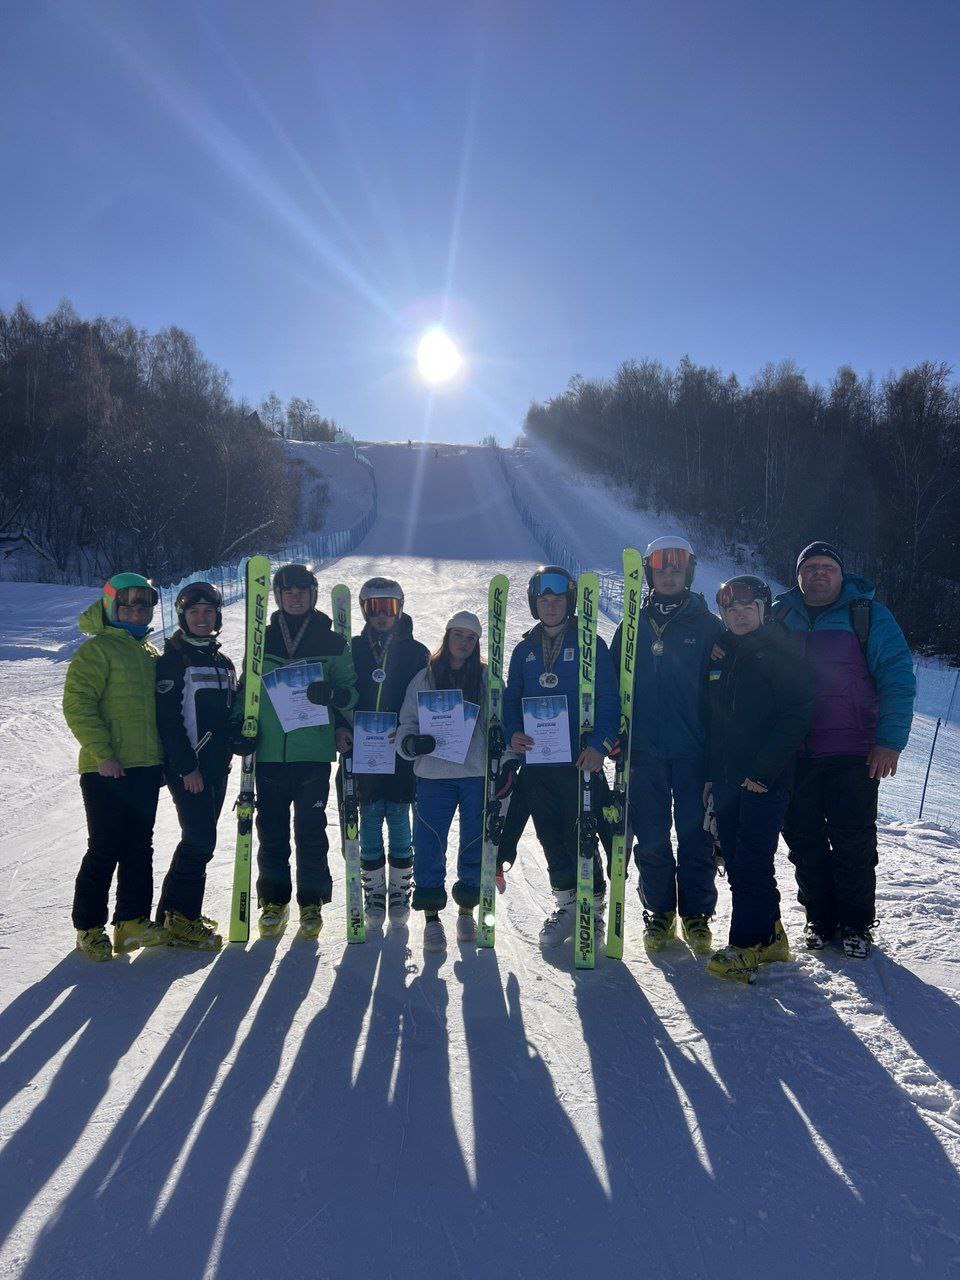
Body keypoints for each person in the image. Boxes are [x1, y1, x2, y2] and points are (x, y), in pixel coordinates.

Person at [772, 542, 916, 957]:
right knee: (803, 841)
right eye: (811, 567)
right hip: (794, 752)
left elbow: (897, 678)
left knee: (853, 841)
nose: (819, 574)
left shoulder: (867, 615)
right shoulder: (780, 615)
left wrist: (889, 742)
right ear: (798, 576)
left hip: (853, 751)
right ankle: (820, 918)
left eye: (827, 567)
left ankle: (855, 924)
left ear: (841, 574)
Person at [610, 537, 723, 956]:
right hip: (645, 753)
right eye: (661, 568)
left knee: (694, 836)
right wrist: (616, 736)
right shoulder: (632, 626)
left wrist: (718, 753)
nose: (669, 574)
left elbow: (723, 693)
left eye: (677, 567)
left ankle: (696, 914)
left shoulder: (708, 625)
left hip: (693, 751)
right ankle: (659, 912)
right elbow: (612, 688)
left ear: (688, 572)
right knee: (653, 836)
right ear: (650, 574)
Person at [703, 576, 813, 983]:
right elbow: (717, 721)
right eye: (732, 610)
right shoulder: (724, 652)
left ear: (764, 610)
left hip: (764, 781)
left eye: (748, 608)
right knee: (736, 860)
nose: (740, 614)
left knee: (750, 860)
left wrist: (763, 772)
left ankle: (745, 945)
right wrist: (712, 776)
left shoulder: (779, 650)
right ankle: (770, 936)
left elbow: (796, 713)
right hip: (729, 779)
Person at [503, 566, 618, 949]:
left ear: (569, 602)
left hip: (579, 761)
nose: (550, 606)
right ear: (535, 605)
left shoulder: (590, 644)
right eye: (543, 600)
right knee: (550, 835)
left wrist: (601, 745)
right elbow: (510, 700)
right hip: (537, 763)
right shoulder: (524, 650)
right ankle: (567, 905)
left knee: (582, 835)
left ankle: (595, 909)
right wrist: (512, 733)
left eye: (557, 599)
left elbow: (609, 699)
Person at [244, 563, 358, 940]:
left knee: (310, 829)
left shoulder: (332, 642)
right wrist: (237, 728)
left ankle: (311, 902)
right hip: (270, 751)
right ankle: (274, 901)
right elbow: (247, 690)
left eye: (301, 590)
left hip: (311, 750)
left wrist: (338, 704)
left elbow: (349, 690)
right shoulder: (260, 640)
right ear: (277, 596)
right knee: (271, 828)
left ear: (312, 594)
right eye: (286, 591)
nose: (294, 596)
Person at [63, 573, 166, 960]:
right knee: (105, 847)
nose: (137, 611)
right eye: (129, 604)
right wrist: (103, 753)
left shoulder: (150, 654)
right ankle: (89, 926)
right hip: (105, 768)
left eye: (144, 605)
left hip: (144, 767)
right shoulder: (97, 650)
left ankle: (131, 921)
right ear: (111, 606)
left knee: (140, 845)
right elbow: (78, 704)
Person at [397, 611, 513, 953]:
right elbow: (407, 722)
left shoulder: (488, 678)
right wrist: (412, 744)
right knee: (430, 842)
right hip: (434, 774)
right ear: (446, 637)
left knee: (473, 842)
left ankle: (466, 910)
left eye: (470, 638)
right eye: (458, 635)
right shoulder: (425, 678)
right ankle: (432, 917)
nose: (463, 642)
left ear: (476, 644)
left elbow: (503, 725)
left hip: (475, 773)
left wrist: (506, 763)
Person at [334, 576, 428, 927]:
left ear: (399, 608)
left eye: (388, 606)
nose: (382, 615)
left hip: (399, 749)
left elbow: (426, 698)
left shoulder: (415, 651)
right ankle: (374, 888)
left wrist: (418, 735)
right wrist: (339, 728)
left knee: (400, 816)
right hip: (363, 749)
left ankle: (400, 888)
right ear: (364, 610)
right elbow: (340, 693)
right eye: (374, 607)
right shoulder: (353, 650)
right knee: (369, 815)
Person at [154, 581, 236, 950]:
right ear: (183, 617)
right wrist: (187, 768)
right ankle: (182, 918)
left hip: (217, 767)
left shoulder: (222, 661)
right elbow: (169, 722)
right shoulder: (174, 660)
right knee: (200, 841)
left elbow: (229, 716)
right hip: (191, 770)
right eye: (193, 612)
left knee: (198, 839)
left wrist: (240, 739)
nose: (202, 618)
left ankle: (172, 914)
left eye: (208, 611)